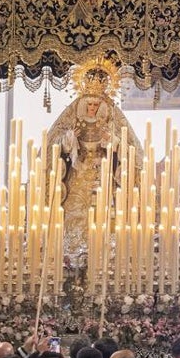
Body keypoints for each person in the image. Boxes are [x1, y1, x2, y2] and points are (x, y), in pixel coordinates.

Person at [49, 82, 142, 260]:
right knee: (75, 212)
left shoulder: (111, 123)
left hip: (102, 175)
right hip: (78, 174)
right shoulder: (74, 123)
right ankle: (73, 253)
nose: (92, 108)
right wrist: (70, 139)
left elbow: (128, 149)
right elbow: (56, 146)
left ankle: (107, 254)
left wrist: (112, 141)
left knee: (105, 212)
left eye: (96, 105)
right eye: (89, 105)